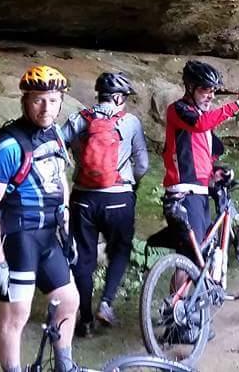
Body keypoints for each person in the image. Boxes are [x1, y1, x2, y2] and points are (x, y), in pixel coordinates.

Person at [0, 65, 80, 372]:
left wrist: (66, 227)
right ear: (25, 101)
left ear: (61, 101)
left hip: (48, 236)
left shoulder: (57, 135)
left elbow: (61, 181)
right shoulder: (8, 146)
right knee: (15, 315)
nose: (46, 107)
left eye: (53, 99)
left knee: (68, 301)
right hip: (19, 238)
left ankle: (64, 365)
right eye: (38, 100)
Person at [61, 72, 148, 337]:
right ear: (119, 97)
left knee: (83, 258)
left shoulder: (79, 118)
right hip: (118, 198)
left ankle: (85, 319)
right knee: (120, 250)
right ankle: (106, 303)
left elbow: (55, 144)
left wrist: (76, 162)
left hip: (83, 199)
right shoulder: (130, 122)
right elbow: (142, 164)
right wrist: (132, 183)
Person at [162, 61, 239, 262]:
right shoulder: (179, 109)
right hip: (185, 191)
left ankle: (198, 291)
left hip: (200, 190)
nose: (211, 96)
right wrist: (238, 104)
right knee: (190, 257)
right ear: (190, 87)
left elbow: (202, 153)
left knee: (200, 252)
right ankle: (179, 295)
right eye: (206, 90)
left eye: (214, 90)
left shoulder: (200, 114)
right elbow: (200, 124)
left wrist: (214, 172)